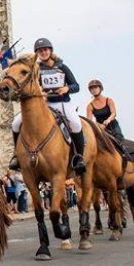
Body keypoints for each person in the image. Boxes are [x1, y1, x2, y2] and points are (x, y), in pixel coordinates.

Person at [8, 38, 86, 174]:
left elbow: (76, 86)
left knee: (75, 124)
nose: (43, 52)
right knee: (15, 123)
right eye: (40, 51)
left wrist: (66, 89)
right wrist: (39, 91)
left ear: (50, 51)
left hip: (62, 103)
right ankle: (17, 156)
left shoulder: (62, 67)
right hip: (44, 103)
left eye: (45, 49)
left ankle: (79, 157)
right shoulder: (35, 69)